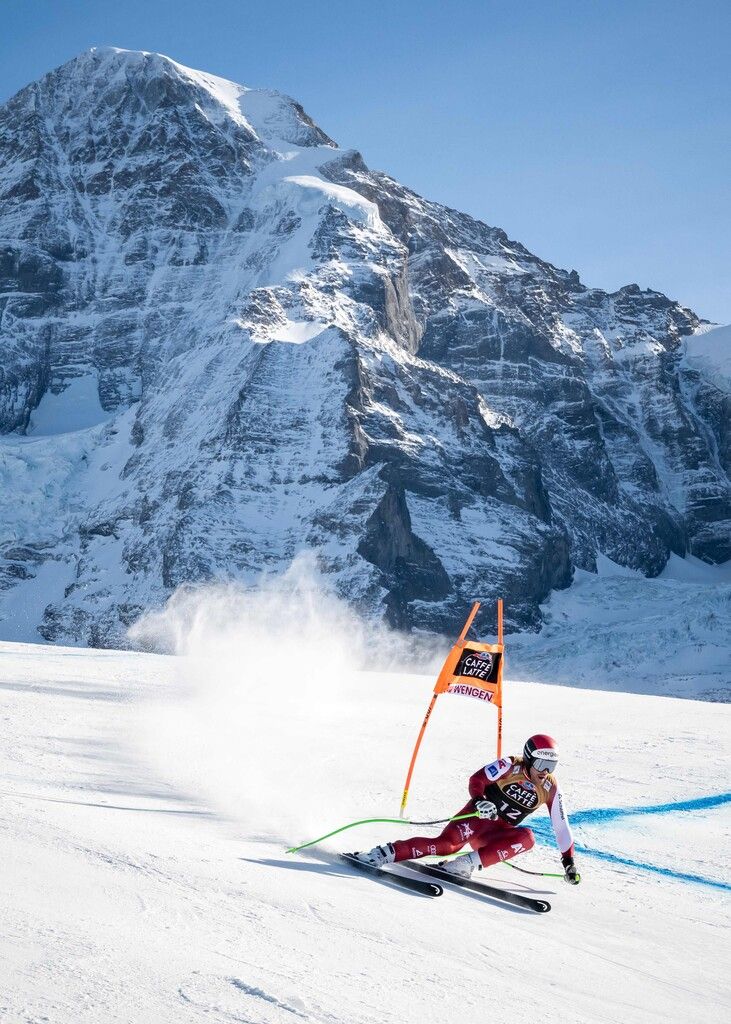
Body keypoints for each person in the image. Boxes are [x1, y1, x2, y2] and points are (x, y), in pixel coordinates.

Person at [352, 734, 581, 884]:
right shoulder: (509, 765)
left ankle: (464, 865)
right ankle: (381, 854)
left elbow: (561, 826)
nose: (545, 771)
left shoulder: (550, 786)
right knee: (445, 846)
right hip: (477, 818)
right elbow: (477, 779)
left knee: (528, 838)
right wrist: (480, 799)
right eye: (541, 764)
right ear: (529, 759)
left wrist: (568, 863)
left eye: (551, 766)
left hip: (495, 834)